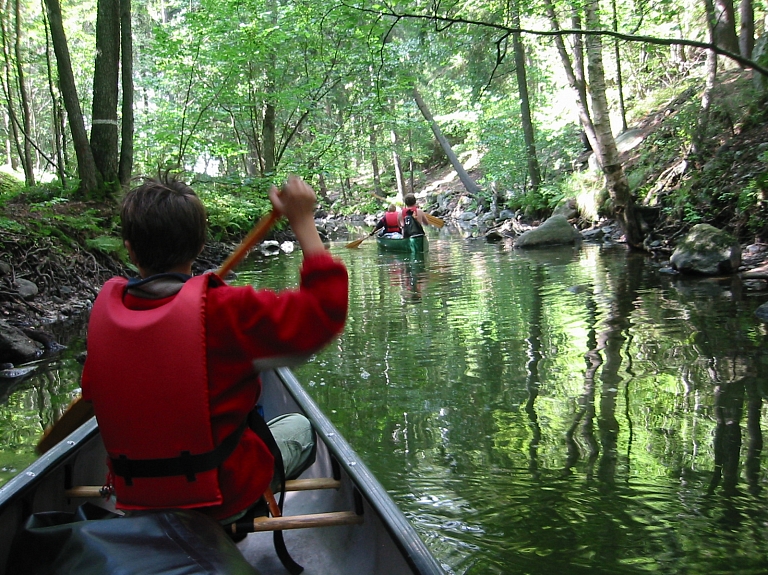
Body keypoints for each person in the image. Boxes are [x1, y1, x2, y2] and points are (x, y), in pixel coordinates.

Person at [80, 174, 348, 531]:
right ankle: (235, 523)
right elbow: (324, 313)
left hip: (137, 499)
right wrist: (302, 221)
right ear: (200, 244)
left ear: (129, 248)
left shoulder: (106, 315)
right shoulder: (225, 311)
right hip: (222, 500)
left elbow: (92, 391)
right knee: (299, 427)